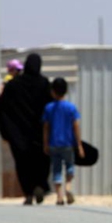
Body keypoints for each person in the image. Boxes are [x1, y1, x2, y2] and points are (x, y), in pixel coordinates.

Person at [0, 53, 52, 205]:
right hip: (40, 134)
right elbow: (51, 106)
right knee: (42, 162)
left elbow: (1, 105)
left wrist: (6, 130)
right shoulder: (44, 84)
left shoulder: (14, 85)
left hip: (19, 135)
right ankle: (40, 185)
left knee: (23, 164)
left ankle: (28, 193)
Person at [42, 77, 84, 206]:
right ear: (66, 91)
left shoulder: (49, 108)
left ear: (53, 92)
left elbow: (46, 127)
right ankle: (68, 187)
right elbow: (76, 126)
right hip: (68, 144)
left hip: (54, 144)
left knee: (57, 169)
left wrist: (45, 143)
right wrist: (79, 144)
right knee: (70, 166)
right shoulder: (71, 108)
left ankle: (59, 196)